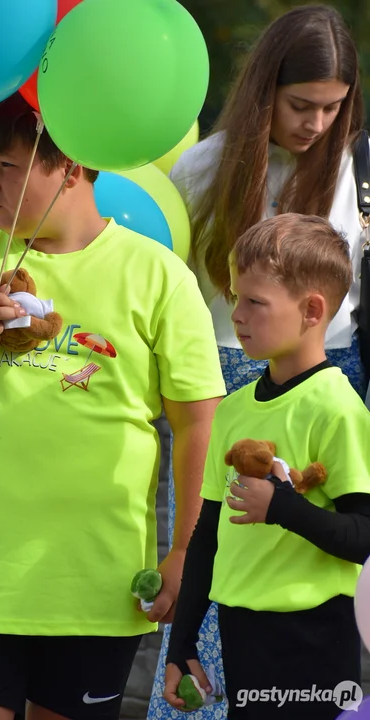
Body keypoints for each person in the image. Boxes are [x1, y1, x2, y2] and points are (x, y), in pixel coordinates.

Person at [0, 92, 226, 720]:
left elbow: (199, 423)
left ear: (70, 163)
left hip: (92, 595)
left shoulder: (160, 277)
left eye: (7, 170)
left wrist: (186, 551)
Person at [149, 6, 368, 716]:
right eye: (301, 104)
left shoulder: (352, 169)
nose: (316, 123)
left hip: (326, 383)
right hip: (217, 388)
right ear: (264, 90)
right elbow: (171, 295)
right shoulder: (203, 166)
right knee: (205, 569)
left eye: (333, 108)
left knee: (309, 584)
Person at [163, 212, 370, 719]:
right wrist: (180, 645)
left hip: (315, 633)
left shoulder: (339, 409)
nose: (236, 314)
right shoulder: (232, 410)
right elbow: (207, 534)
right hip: (241, 629)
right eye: (235, 297)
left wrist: (283, 508)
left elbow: (363, 537)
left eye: (254, 302)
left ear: (312, 310)